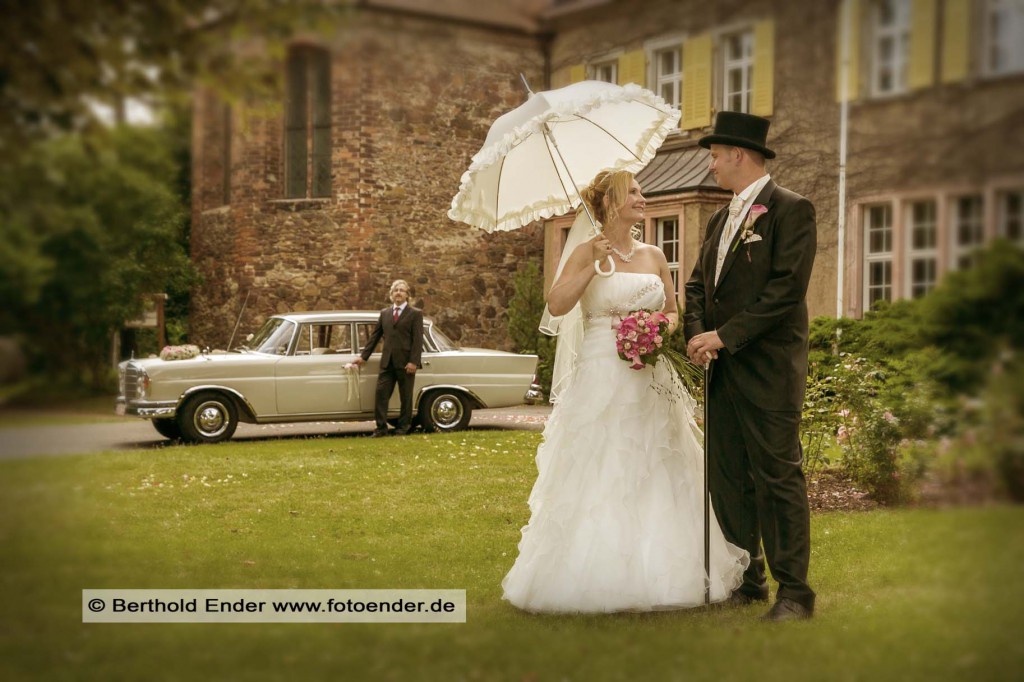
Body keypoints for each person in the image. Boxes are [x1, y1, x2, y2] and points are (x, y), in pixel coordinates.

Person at [502, 169, 748, 613]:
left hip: (649, 376)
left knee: (658, 459)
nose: (642, 197)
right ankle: (595, 573)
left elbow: (673, 311)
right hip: (601, 374)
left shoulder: (654, 254)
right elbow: (557, 306)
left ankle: (668, 573)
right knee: (604, 462)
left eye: (640, 190)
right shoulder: (584, 251)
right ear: (611, 204)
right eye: (633, 191)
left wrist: (655, 329)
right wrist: (591, 266)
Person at [684, 111, 818, 622]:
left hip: (768, 369)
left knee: (777, 477)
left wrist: (725, 335)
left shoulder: (790, 210)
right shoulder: (720, 218)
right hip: (722, 369)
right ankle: (747, 577)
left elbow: (786, 291)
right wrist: (698, 335)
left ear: (738, 155)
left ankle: (796, 593)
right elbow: (698, 284)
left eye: (715, 156)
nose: (712, 165)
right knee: (729, 477)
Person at [353, 279, 423, 437]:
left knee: (406, 397)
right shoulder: (385, 313)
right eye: (395, 290)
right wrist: (363, 357)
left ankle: (403, 428)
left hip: (406, 363)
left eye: (401, 290)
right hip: (387, 362)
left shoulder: (415, 314)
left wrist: (414, 362)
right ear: (391, 295)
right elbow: (375, 336)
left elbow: (418, 340)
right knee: (381, 395)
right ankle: (381, 428)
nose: (398, 292)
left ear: (407, 295)